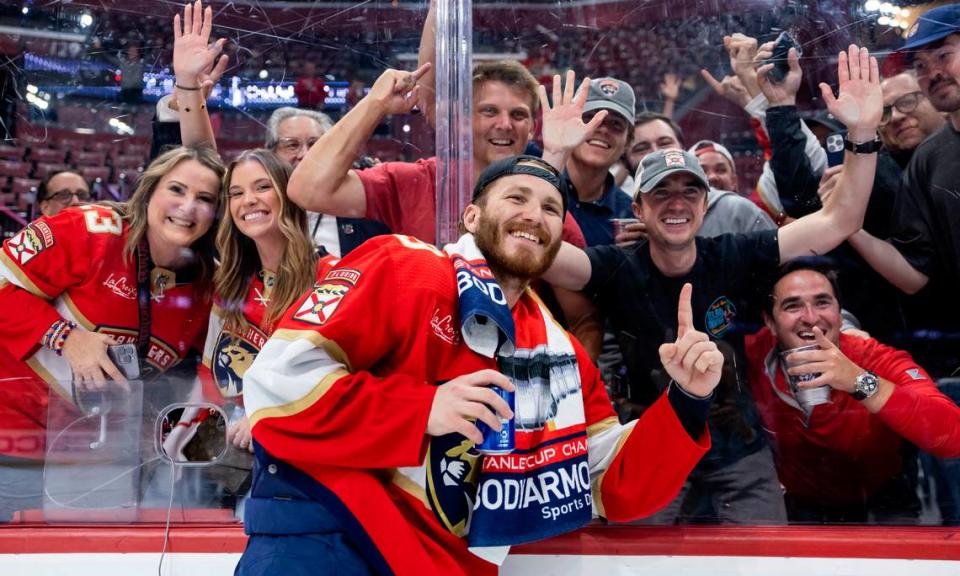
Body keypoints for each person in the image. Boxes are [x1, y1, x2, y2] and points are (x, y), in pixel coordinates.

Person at [237, 155, 721, 575]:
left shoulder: (560, 353)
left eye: (551, 208)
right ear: (471, 216)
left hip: (442, 565)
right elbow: (276, 385)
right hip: (331, 535)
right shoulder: (407, 266)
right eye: (516, 198)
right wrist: (422, 409)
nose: (535, 215)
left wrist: (688, 399)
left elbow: (614, 485)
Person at [543, 44, 884, 523]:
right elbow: (536, 248)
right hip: (650, 444)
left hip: (737, 452)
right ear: (637, 209)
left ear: (706, 206)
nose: (676, 203)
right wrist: (553, 154)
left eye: (689, 191)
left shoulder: (736, 253)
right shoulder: (615, 266)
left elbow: (841, 219)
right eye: (660, 193)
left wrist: (864, 133)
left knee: (767, 564)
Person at [0, 144, 224, 522]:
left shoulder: (209, 286)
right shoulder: (86, 230)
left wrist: (169, 439)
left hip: (100, 457)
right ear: (149, 190)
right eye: (176, 189)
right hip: (13, 441)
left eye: (205, 198)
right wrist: (65, 336)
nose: (187, 207)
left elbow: (207, 378)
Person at [745, 259, 960, 523]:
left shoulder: (873, 358)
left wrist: (858, 381)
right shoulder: (752, 355)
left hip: (883, 498)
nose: (811, 318)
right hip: (802, 505)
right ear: (770, 322)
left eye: (822, 303)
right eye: (793, 306)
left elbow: (953, 435)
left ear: (839, 312)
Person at [626, 112, 774, 238]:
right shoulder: (619, 215)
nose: (656, 152)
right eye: (642, 148)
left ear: (683, 148)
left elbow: (788, 261)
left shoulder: (738, 212)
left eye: (665, 143)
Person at [563, 77, 636, 247]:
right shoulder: (534, 191)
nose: (603, 129)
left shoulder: (631, 217)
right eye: (590, 117)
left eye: (616, 124)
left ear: (627, 142)